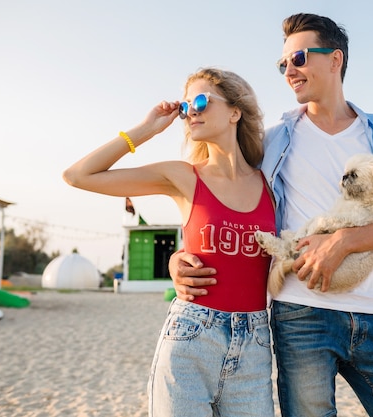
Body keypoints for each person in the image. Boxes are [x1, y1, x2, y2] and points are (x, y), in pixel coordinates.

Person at [170, 13, 373, 417]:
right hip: (300, 315)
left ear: (335, 60)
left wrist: (345, 242)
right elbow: (222, 196)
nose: (289, 71)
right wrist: (180, 255)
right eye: (283, 64)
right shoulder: (273, 139)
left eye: (298, 59)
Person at [63, 68, 276, 417]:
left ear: (235, 112)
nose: (192, 110)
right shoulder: (182, 176)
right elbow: (78, 175)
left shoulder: (270, 182)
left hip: (254, 343)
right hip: (192, 336)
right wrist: (146, 129)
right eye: (187, 105)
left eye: (202, 101)